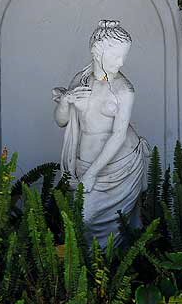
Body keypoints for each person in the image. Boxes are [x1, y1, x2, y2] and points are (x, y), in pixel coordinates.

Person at [52, 20, 149, 246]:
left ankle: (115, 274)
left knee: (118, 226)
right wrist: (66, 102)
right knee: (82, 221)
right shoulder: (80, 80)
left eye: (124, 56)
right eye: (116, 56)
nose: (121, 62)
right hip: (86, 163)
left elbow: (118, 135)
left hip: (120, 165)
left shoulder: (124, 90)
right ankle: (92, 275)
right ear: (98, 53)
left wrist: (92, 174)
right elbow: (61, 121)